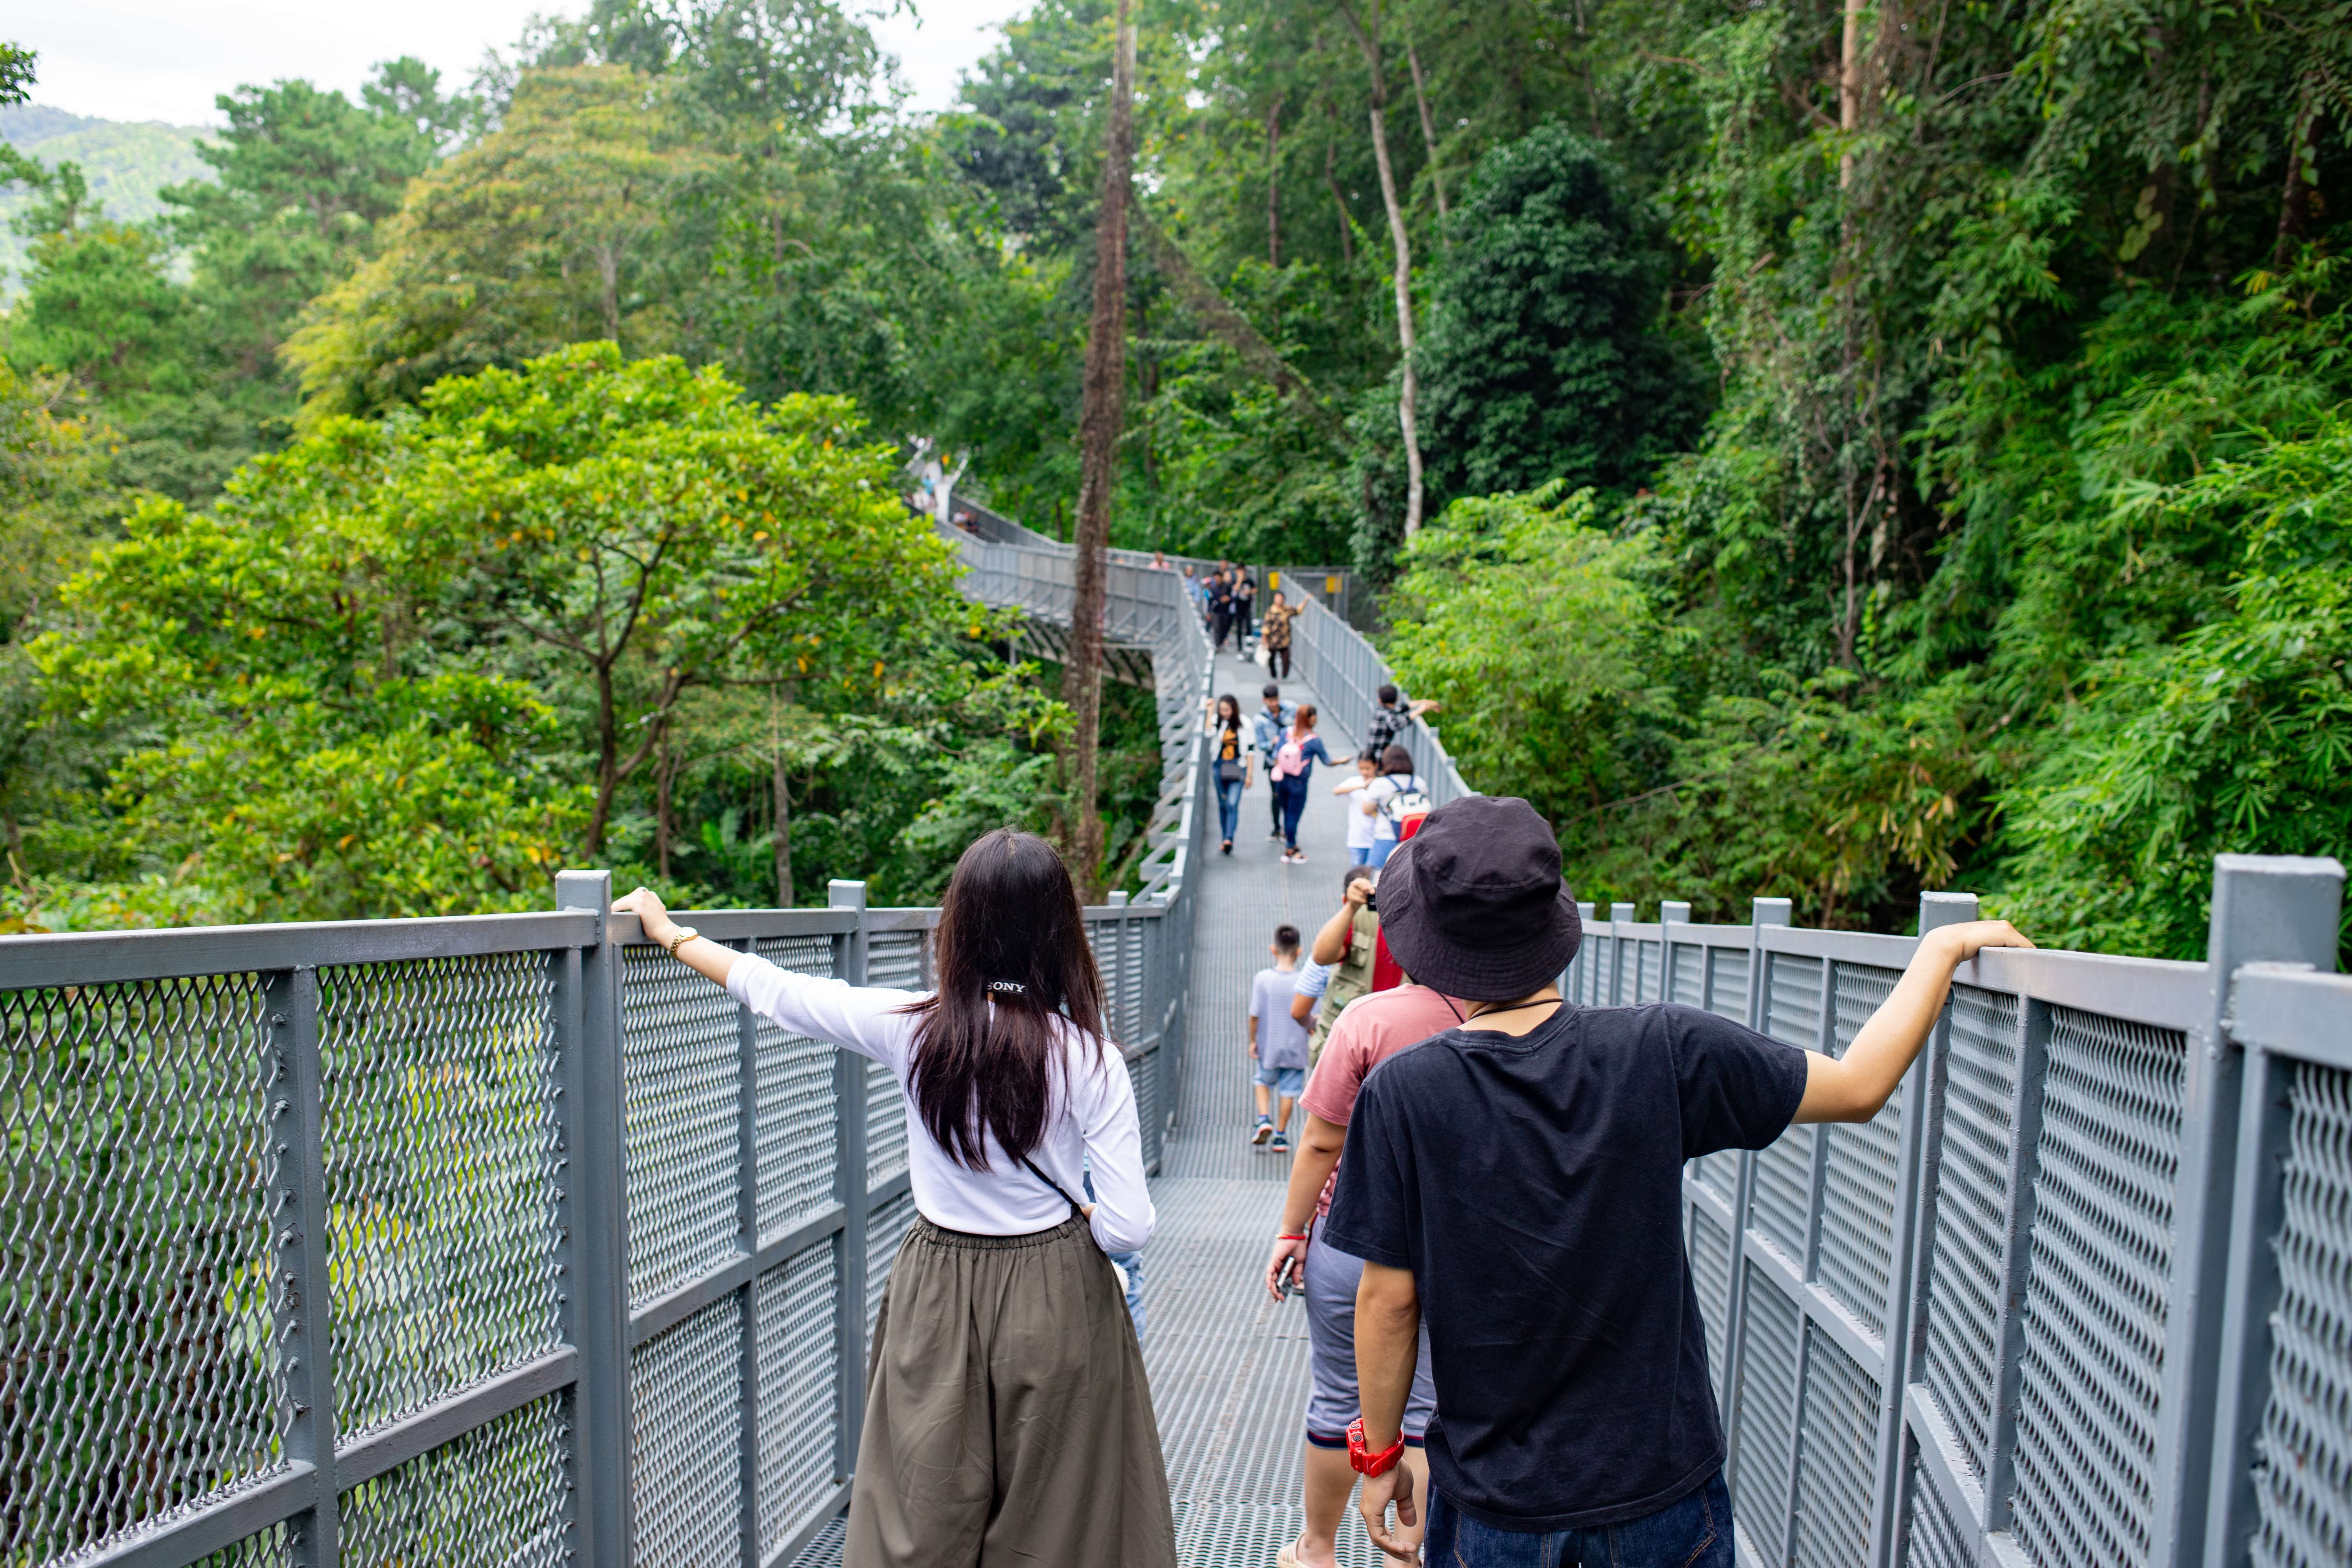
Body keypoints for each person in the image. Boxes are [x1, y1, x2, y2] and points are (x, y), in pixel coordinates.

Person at [1324, 797, 2033, 1566]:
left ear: (1433, 940)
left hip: (1499, 1501)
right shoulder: (1660, 1048)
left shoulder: (1402, 1091)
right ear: (1553, 923)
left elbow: (1388, 1300)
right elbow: (1859, 1087)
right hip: (1661, 1491)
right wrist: (1937, 950)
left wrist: (1381, 1453)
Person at [612, 831, 1178, 1568]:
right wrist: (1093, 1219)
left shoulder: (913, 1029)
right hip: (1057, 1290)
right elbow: (1130, 1226)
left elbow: (781, 991)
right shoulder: (1090, 1057)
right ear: (1059, 930)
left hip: (938, 1288)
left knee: (922, 1505)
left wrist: (672, 931)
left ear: (961, 925)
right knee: (1059, 1515)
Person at [1263, 977, 1467, 1568]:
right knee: (1427, 1408)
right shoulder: (1494, 1016)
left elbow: (1322, 1142)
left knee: (1336, 1394)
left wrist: (1291, 1230)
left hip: (1354, 1235)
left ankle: (1318, 1550)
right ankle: (1405, 1555)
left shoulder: (1367, 1018)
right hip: (1450, 1241)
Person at [1306, 866, 1389, 1066]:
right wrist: (1351, 907)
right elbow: (1321, 956)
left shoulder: (1427, 921)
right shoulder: (1363, 916)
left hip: (1392, 1046)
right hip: (1349, 1046)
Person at [1248, 924, 1312, 1152]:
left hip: (1269, 1046)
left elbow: (1254, 1014)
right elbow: (1312, 1017)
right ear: (1299, 951)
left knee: (1262, 1081)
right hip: (1296, 1047)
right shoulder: (1305, 980)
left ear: (1273, 949)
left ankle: (1264, 1119)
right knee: (1290, 1090)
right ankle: (1281, 1136)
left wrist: (1253, 1040)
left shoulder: (1263, 979)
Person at [1270, 705, 1337, 863]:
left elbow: (1275, 755)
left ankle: (1291, 843)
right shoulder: (1314, 741)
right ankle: (1290, 849)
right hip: (1299, 782)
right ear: (1311, 719)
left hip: (1282, 780)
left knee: (1287, 814)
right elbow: (1328, 762)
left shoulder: (1286, 732)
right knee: (1294, 815)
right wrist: (1342, 761)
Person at [1359, 744, 1430, 868]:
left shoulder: (1380, 784)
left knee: (1377, 876)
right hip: (1415, 838)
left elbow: (1366, 810)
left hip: (1387, 837)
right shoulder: (1420, 782)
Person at [1252, 682, 1299, 841]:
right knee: (1276, 795)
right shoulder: (1260, 720)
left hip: (1292, 762)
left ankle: (1288, 829)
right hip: (1275, 763)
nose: (1273, 704)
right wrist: (1274, 743)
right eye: (1270, 701)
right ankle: (1277, 828)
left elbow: (1302, 724)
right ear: (1264, 700)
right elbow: (1261, 745)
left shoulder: (1292, 709)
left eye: (1275, 700)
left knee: (1290, 796)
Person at [1207, 693, 1252, 854]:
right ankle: (1224, 837)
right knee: (1223, 804)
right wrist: (1210, 711)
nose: (1224, 713)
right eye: (1221, 710)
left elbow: (1251, 751)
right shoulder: (1217, 721)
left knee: (1232, 804)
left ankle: (1228, 838)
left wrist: (1249, 775)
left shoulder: (1245, 724)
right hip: (1219, 766)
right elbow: (1208, 733)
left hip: (1237, 766)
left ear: (1234, 709)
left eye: (1227, 710)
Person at [1365, 682, 1440, 758]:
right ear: (1397, 699)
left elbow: (1403, 707)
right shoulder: (1388, 714)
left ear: (1379, 700)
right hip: (1378, 756)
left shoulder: (1380, 710)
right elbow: (1396, 726)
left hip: (1372, 753)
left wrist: (1426, 702)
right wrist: (1420, 711)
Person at [1332, 749, 1381, 865]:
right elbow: (1336, 791)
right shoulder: (1355, 782)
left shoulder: (1382, 784)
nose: (1364, 772)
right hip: (1358, 839)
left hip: (1377, 838)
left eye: (1368, 768)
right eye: (1361, 769)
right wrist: (1361, 786)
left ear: (1376, 766)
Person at [1260, 589, 1297, 679]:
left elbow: (1298, 610)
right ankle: (1274, 675)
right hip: (1273, 640)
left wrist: (1306, 601)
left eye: (1280, 598)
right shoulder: (1270, 611)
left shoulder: (1287, 610)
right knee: (1271, 659)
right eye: (1277, 598)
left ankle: (1285, 676)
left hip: (1284, 639)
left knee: (1286, 659)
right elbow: (1266, 625)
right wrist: (1264, 639)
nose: (1279, 600)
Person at [1208, 571, 1237, 651]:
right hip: (1217, 611)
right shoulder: (1213, 589)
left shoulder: (1228, 586)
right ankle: (1217, 645)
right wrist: (1209, 612)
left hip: (1226, 611)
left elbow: (1234, 597)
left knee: (1224, 628)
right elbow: (1210, 601)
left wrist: (1229, 599)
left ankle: (1220, 643)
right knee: (1217, 628)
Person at [1234, 569, 1257, 650]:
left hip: (1247, 607)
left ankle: (1249, 645)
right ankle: (1239, 646)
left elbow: (1255, 589)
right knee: (1239, 628)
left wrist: (1249, 592)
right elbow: (1235, 589)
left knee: (1248, 626)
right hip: (1239, 608)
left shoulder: (1250, 581)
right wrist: (1240, 580)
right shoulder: (1236, 581)